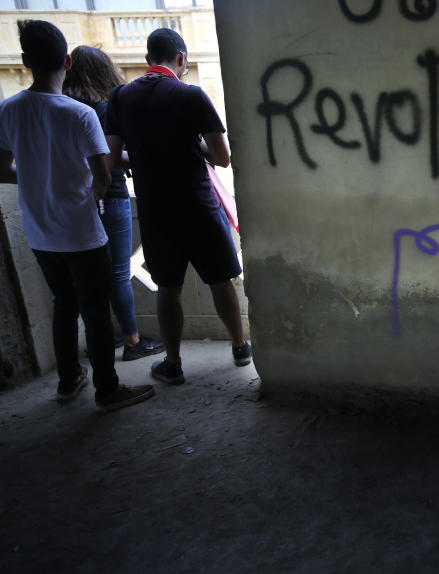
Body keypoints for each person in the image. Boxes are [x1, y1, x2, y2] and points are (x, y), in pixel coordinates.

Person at [0, 20, 154, 411]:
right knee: (96, 310)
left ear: (25, 61)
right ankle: (107, 389)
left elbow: (3, 169)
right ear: (67, 61)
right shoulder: (79, 114)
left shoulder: (8, 109)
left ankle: (69, 380)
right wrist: (86, 190)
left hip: (39, 232)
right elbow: (102, 176)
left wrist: (38, 178)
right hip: (82, 231)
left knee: (63, 304)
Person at [104, 28, 251, 386]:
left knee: (167, 288)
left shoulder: (121, 97)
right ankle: (239, 346)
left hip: (156, 211)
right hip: (199, 206)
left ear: (148, 59)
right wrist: (192, 148)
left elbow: (111, 159)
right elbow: (222, 157)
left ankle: (172, 363)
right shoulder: (191, 95)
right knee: (221, 281)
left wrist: (141, 157)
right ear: (181, 59)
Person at [63, 45, 165, 362]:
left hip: (73, 197)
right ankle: (133, 339)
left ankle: (104, 337)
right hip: (110, 194)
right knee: (119, 272)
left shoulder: (64, 106)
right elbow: (108, 160)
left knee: (89, 274)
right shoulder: (104, 107)